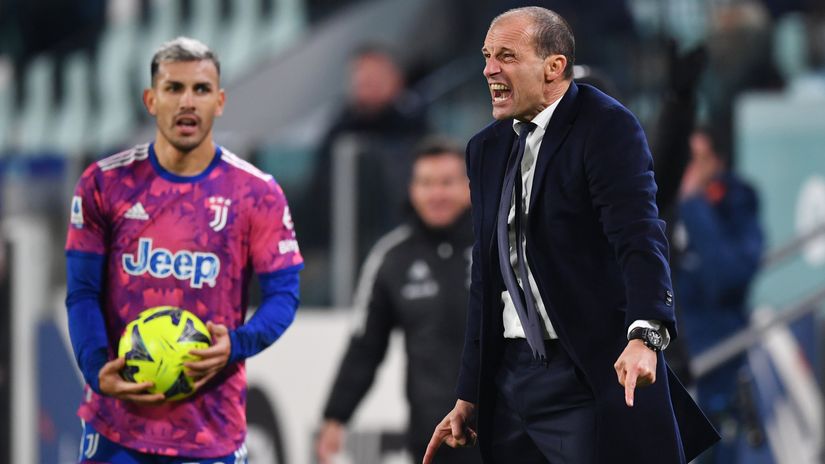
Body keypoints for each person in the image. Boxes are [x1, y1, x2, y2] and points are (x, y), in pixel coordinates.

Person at [424, 7, 719, 464]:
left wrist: (646, 333)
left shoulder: (606, 126)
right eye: (486, 56)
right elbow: (488, 278)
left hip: (582, 372)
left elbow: (639, 233)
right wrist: (470, 391)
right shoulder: (485, 147)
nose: (489, 69)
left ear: (554, 67)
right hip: (509, 380)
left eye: (506, 56)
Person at [64, 37, 303, 464]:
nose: (187, 102)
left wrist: (238, 343)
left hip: (211, 431)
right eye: (174, 88)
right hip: (116, 425)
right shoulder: (104, 183)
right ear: (151, 99)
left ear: (221, 100)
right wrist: (96, 367)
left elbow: (284, 294)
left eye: (201, 89)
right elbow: (82, 292)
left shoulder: (256, 193)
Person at [316, 139, 482, 464]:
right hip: (433, 438)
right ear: (412, 189)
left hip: (510, 434)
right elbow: (365, 347)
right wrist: (336, 416)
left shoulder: (501, 243)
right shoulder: (391, 258)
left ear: (469, 186)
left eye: (447, 183)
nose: (436, 194)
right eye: (426, 183)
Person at [297, 44, 429, 304]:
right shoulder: (340, 125)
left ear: (396, 80)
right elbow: (318, 188)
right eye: (361, 77)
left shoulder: (413, 124)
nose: (366, 84)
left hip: (393, 233)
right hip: (338, 239)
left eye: (375, 77)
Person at [674, 127, 764, 464]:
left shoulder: (736, 205)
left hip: (718, 365)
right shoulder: (660, 202)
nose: (691, 170)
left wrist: (694, 205)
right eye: (687, 160)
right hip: (672, 363)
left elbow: (725, 278)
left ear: (719, 162)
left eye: (700, 160)